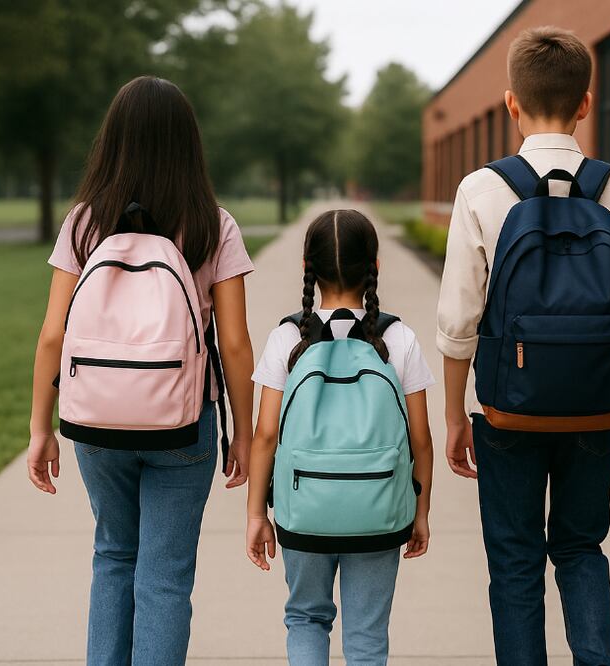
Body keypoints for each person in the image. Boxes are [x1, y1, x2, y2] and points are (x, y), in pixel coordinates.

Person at [437, 26, 610, 666]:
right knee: (581, 547)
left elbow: (458, 322)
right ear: (586, 103)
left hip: (507, 410)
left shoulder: (481, 190)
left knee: (514, 560)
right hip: (595, 408)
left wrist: (456, 416)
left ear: (511, 103)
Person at [26, 76, 255, 665]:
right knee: (166, 574)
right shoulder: (212, 224)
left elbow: (53, 333)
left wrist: (40, 427)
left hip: (97, 419)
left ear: (113, 141)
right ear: (188, 144)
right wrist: (244, 434)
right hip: (184, 421)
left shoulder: (84, 223)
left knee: (113, 555)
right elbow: (234, 344)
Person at [246, 209, 435, 666]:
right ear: (375, 265)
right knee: (367, 635)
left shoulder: (287, 338)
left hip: (304, 511)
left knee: (306, 618)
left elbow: (266, 435)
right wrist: (420, 512)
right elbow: (421, 441)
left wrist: (255, 513)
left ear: (306, 268)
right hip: (379, 511)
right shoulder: (398, 338)